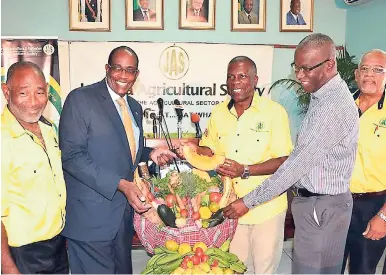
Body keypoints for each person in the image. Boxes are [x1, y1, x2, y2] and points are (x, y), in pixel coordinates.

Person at [223, 33, 359, 274]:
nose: (299, 76)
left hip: (322, 205)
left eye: (306, 69)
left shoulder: (333, 107)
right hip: (315, 203)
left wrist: (248, 201)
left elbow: (294, 165)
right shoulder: (322, 96)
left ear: (330, 64)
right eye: (296, 68)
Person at [59, 46, 176, 274]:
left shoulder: (134, 107)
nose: (123, 76)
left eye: (130, 70)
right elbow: (72, 156)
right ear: (107, 69)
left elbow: (125, 150)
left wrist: (149, 153)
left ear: (136, 75)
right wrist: (120, 184)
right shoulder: (81, 99)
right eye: (118, 68)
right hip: (90, 221)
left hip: (121, 219)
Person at [179, 56, 293, 274]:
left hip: (266, 207)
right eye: (231, 77)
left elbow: (283, 161)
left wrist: (245, 170)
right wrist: (191, 150)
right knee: (235, 267)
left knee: (264, 268)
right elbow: (210, 150)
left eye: (242, 76)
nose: (235, 82)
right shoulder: (219, 112)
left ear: (255, 80)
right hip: (230, 206)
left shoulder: (274, 112)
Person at [1, 61, 68, 274]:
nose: (33, 102)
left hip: (57, 246)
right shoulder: (2, 139)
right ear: (6, 91)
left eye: (40, 93)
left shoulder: (48, 129)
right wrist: (8, 266)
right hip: (22, 254)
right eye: (23, 93)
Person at [341, 49, 386, 274]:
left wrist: (384, 215)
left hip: (374, 206)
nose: (370, 74)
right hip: (336, 202)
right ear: (357, 74)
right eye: (365, 69)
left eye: (378, 70)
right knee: (328, 267)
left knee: (362, 270)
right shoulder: (340, 107)